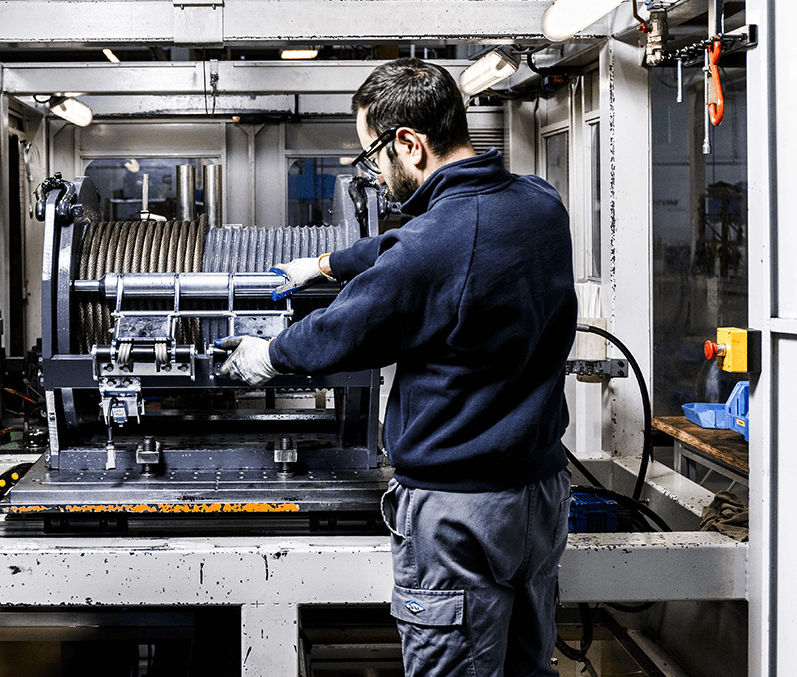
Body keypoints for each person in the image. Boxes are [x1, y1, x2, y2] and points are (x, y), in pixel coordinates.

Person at [216, 58, 577, 677]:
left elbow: (346, 328)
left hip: (459, 514)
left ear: (409, 143)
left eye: (373, 155)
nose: (375, 173)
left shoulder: (434, 245)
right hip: (539, 498)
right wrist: (324, 264)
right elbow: (421, 245)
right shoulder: (539, 203)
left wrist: (267, 357)